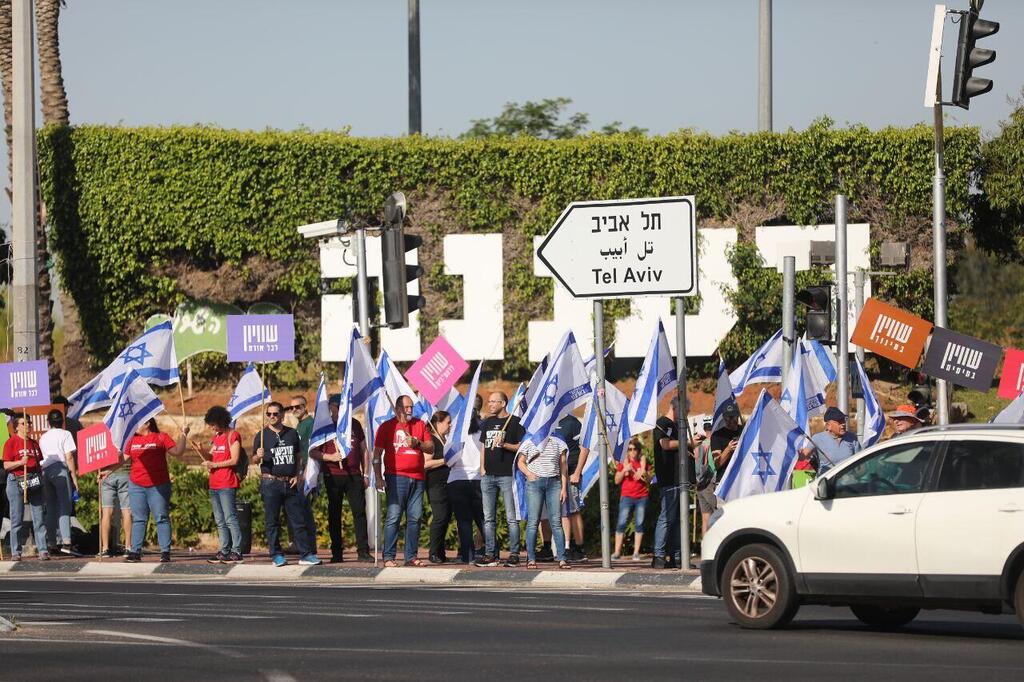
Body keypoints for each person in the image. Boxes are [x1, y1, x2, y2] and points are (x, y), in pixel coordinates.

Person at [254, 401, 320, 567]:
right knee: (272, 521)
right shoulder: (261, 436)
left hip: (289, 483)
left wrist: (298, 475)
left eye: (275, 414)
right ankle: (276, 555)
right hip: (271, 482)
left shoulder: (291, 433)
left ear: (282, 416)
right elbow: (254, 460)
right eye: (268, 414)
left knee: (298, 520)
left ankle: (305, 554)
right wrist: (258, 455)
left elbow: (298, 456)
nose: (271, 417)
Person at [310, 394, 371, 563]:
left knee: (359, 513)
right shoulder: (325, 427)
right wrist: (330, 457)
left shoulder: (355, 424)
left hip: (354, 475)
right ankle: (336, 552)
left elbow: (364, 450)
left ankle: (363, 551)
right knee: (334, 514)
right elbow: (312, 451)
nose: (336, 410)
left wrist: (366, 473)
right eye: (335, 407)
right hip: (333, 476)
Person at [374, 395, 433, 567]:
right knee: (394, 516)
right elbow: (376, 455)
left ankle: (411, 557)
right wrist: (378, 477)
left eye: (411, 407)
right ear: (398, 408)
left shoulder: (419, 424)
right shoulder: (387, 427)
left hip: (417, 477)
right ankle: (389, 557)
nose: (410, 410)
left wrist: (418, 443)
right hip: (396, 476)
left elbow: (431, 447)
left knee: (415, 517)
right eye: (406, 407)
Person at [124, 418, 189, 563]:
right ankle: (135, 552)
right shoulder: (132, 440)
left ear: (147, 424)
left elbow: (178, 451)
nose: (135, 426)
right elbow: (123, 459)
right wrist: (106, 471)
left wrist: (184, 435)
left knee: (161, 517)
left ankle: (165, 552)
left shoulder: (161, 437)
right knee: (139, 519)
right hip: (136, 485)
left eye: (138, 423)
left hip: (158, 485)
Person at [476, 392, 524, 567]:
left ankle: (514, 553)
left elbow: (521, 446)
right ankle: (490, 554)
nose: (489, 405)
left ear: (503, 403)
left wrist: (504, 444)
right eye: (489, 402)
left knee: (512, 517)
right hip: (487, 476)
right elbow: (483, 447)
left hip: (507, 475)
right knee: (488, 518)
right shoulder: (487, 422)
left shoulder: (515, 422)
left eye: (493, 402)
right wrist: (482, 468)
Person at [519, 434, 570, 570]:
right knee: (533, 522)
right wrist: (529, 474)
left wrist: (564, 488)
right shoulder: (530, 441)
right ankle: (531, 559)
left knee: (556, 522)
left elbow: (563, 466)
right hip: (534, 483)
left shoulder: (559, 441)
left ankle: (562, 558)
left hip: (554, 483)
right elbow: (520, 462)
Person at [200, 406, 244, 564]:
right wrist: (202, 451)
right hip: (214, 483)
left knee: (230, 517)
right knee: (219, 519)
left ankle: (236, 550)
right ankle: (224, 550)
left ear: (221, 421)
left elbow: (234, 460)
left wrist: (215, 465)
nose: (212, 427)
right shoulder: (217, 437)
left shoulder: (233, 435)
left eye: (213, 424)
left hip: (227, 483)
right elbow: (213, 456)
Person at [651, 397, 689, 569]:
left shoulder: (674, 425)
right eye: (685, 412)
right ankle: (658, 556)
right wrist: (687, 443)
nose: (686, 416)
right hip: (669, 478)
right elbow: (665, 445)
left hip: (678, 478)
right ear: (676, 408)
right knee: (666, 517)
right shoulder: (663, 423)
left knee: (678, 519)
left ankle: (677, 556)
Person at [3, 415, 48, 561]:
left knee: (39, 516)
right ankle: (16, 552)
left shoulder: (34, 444)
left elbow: (39, 462)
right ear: (16, 426)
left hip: (33, 480)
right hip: (16, 480)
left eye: (29, 422)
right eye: (24, 423)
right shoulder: (11, 442)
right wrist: (20, 462)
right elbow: (6, 465)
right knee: (16, 518)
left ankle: (43, 550)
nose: (28, 425)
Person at [38, 409, 81, 556]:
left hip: (46, 471)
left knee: (50, 507)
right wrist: (74, 478)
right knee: (65, 505)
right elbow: (69, 457)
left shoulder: (43, 437)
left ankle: (51, 543)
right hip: (61, 470)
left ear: (48, 422)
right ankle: (67, 542)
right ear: (62, 421)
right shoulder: (66, 434)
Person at [447, 412, 486, 564]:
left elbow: (448, 461)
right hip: (477, 480)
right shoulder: (481, 434)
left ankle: (467, 556)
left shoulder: (454, 436)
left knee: (464, 521)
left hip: (457, 480)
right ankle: (492, 553)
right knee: (482, 520)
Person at [288, 395, 318, 556]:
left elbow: (311, 450)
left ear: (305, 407)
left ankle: (310, 547)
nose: (294, 410)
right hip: (299, 471)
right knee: (298, 510)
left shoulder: (310, 424)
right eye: (291, 407)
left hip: (307, 472)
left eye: (298, 407)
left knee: (305, 512)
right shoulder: (300, 426)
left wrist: (305, 473)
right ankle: (299, 544)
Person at [613, 437, 650, 561]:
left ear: (638, 450)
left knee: (639, 523)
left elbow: (650, 480)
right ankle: (617, 552)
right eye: (629, 449)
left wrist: (643, 473)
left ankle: (636, 552)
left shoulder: (643, 461)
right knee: (622, 522)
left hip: (641, 496)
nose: (632, 452)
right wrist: (624, 470)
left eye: (634, 449)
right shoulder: (624, 462)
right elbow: (616, 480)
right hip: (627, 496)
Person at [425, 411, 453, 563]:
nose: (450, 425)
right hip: (435, 484)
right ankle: (433, 552)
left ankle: (441, 553)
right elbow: (425, 464)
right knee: (440, 517)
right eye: (448, 422)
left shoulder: (444, 439)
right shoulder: (432, 441)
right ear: (438, 423)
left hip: (447, 483)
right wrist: (444, 460)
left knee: (446, 517)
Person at [560, 414, 587, 562]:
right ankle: (566, 547)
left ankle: (579, 548)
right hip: (554, 474)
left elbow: (584, 447)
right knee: (562, 512)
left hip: (571, 473)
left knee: (574, 510)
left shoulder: (572, 422)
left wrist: (577, 472)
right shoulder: (548, 420)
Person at [97, 454, 132, 558]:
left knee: (106, 513)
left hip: (106, 473)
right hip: (125, 472)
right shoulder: (127, 438)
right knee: (127, 511)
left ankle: (105, 548)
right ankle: (128, 547)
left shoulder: (104, 437)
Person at [808, 407, 861, 472]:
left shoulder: (852, 438)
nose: (843, 424)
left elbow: (860, 462)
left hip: (850, 480)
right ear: (828, 426)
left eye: (843, 420)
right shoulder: (817, 438)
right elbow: (805, 455)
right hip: (828, 480)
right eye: (839, 422)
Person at [693, 419, 718, 535]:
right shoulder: (712, 443)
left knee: (705, 519)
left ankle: (705, 548)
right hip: (709, 482)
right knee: (718, 515)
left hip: (699, 484)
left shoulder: (698, 444)